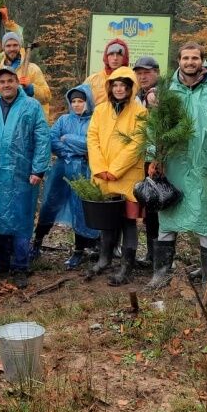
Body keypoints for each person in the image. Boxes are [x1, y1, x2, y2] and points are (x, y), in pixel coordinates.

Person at [147, 43, 207, 290]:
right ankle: (161, 274)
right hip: (172, 165)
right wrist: (155, 156)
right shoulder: (168, 91)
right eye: (186, 58)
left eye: (195, 58)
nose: (190, 62)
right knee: (168, 217)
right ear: (179, 61)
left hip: (206, 167)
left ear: (203, 62)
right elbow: (156, 126)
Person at [0, 66, 51, 288]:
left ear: (17, 82)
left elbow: (42, 138)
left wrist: (38, 169)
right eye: (2, 81)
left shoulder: (32, 106)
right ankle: (2, 261)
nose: (6, 85)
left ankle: (21, 266)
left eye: (10, 81)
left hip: (22, 174)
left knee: (22, 219)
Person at [86, 67, 148, 285]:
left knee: (128, 222)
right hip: (103, 175)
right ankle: (105, 259)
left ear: (131, 88)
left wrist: (116, 169)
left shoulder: (139, 112)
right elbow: (92, 139)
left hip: (128, 176)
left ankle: (126, 266)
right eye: (115, 85)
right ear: (110, 87)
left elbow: (137, 143)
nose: (119, 89)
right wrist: (100, 167)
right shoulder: (100, 110)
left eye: (124, 85)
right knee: (107, 220)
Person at [34, 84, 99, 269]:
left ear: (88, 101)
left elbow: (91, 145)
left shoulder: (94, 121)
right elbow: (52, 140)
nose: (77, 105)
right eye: (73, 101)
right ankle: (37, 242)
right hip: (62, 169)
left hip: (84, 171)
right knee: (49, 204)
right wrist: (71, 151)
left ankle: (78, 251)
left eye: (81, 101)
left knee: (80, 209)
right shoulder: (63, 120)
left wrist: (69, 139)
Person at [132, 55, 161, 267]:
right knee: (149, 208)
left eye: (147, 72)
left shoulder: (159, 96)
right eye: (139, 73)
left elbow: (163, 129)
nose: (143, 77)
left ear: (156, 73)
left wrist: (158, 157)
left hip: (157, 160)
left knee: (158, 208)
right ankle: (152, 254)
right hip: (142, 158)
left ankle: (159, 257)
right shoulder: (138, 96)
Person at [0, 31, 51, 119]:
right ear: (3, 48)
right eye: (8, 46)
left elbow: (47, 97)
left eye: (15, 45)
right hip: (5, 120)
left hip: (29, 119)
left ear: (20, 46)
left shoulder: (33, 69)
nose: (12, 49)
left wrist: (31, 88)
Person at [85, 38, 130, 106]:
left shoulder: (131, 79)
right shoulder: (93, 79)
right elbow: (79, 100)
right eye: (111, 54)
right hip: (96, 115)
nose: (115, 58)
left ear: (124, 58)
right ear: (106, 57)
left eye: (119, 54)